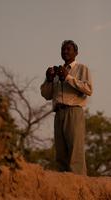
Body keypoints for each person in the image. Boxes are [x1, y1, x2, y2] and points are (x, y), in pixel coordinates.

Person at [40, 40, 93, 175]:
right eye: (63, 49)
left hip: (74, 112)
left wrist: (68, 77)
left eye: (69, 49)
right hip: (58, 113)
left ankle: (79, 184)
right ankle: (65, 186)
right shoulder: (57, 71)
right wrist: (49, 79)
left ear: (76, 53)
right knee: (61, 152)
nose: (65, 52)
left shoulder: (82, 68)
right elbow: (46, 95)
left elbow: (88, 89)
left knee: (75, 152)